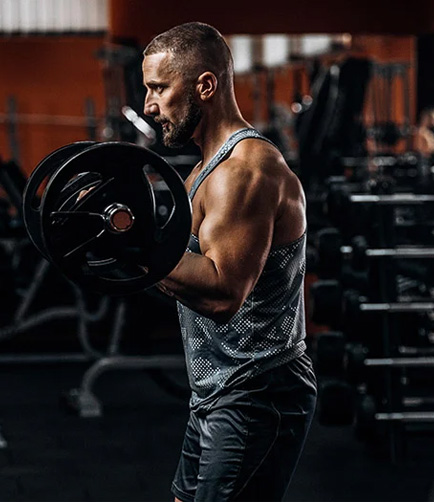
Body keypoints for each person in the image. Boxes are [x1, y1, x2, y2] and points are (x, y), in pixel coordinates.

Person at [142, 22, 317, 502]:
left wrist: (136, 248)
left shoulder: (245, 171)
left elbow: (222, 294)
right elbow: (172, 266)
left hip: (259, 391)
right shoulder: (205, 169)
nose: (148, 105)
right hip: (218, 391)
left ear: (204, 85)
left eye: (158, 87)